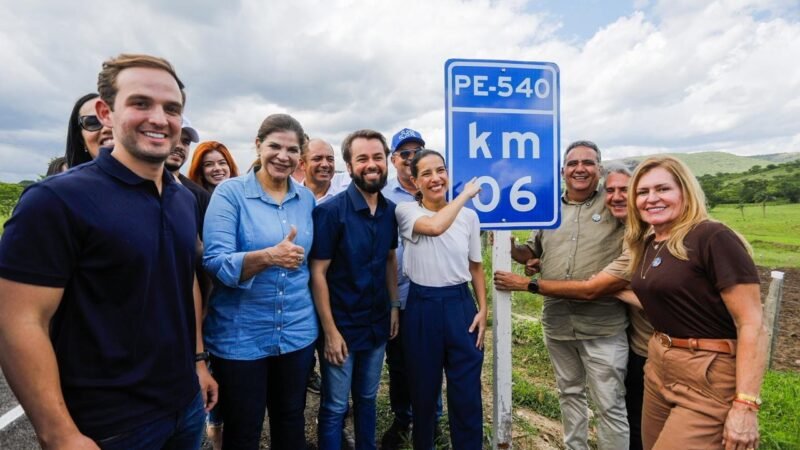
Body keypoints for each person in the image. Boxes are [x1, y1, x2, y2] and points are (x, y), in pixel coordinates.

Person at [0, 53, 217, 449]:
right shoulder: (56, 200)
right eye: (140, 103)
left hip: (184, 406)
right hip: (112, 427)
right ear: (106, 112)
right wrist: (59, 433)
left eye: (172, 108)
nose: (159, 118)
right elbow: (18, 321)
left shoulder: (182, 199)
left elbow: (183, 282)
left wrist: (198, 363)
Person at [494, 163, 653, 450]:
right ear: (563, 170)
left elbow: (595, 287)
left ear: (599, 169)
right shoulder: (549, 209)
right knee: (569, 393)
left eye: (588, 162)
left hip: (603, 327)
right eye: (573, 163)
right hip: (558, 324)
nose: (580, 168)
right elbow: (532, 253)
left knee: (610, 404)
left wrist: (527, 284)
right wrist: (510, 245)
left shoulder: (616, 206)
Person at [625, 156, 767, 450]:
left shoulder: (713, 237)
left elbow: (751, 323)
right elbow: (670, 300)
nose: (651, 199)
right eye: (642, 192)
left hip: (707, 374)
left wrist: (745, 405)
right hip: (659, 367)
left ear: (685, 191)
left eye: (663, 189)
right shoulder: (652, 242)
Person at [202, 113, 317, 450]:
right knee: (244, 428)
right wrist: (269, 256)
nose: (283, 156)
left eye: (292, 150)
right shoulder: (230, 194)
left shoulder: (306, 198)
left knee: (291, 419)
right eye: (275, 146)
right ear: (258, 145)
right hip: (241, 336)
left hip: (297, 331)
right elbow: (215, 262)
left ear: (301, 156)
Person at [310, 129, 399, 450]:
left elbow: (390, 260)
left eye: (378, 157)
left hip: (376, 324)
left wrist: (393, 306)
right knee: (334, 406)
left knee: (367, 398)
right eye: (362, 158)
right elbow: (317, 273)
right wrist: (330, 331)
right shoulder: (330, 213)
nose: (371, 164)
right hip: (342, 328)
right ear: (349, 166)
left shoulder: (390, 212)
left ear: (386, 162)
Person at [395, 149, 486, 449]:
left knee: (467, 393)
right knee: (423, 392)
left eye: (441, 170)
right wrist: (465, 195)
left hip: (460, 304)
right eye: (427, 174)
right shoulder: (407, 213)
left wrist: (483, 309)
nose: (436, 178)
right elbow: (435, 227)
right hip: (423, 307)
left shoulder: (470, 218)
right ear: (415, 181)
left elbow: (475, 266)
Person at [380, 128, 443, 448]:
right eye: (405, 153)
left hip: (432, 290)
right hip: (398, 293)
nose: (411, 157)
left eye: (418, 150)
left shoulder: (436, 190)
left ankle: (433, 419)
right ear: (394, 160)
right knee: (400, 361)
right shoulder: (384, 195)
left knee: (432, 358)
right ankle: (404, 418)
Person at [64, 92, 114, 168]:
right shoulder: (65, 180)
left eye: (114, 119)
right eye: (92, 122)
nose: (107, 128)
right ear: (81, 139)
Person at [300, 138, 350, 203]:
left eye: (330, 159)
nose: (325, 164)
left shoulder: (346, 190)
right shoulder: (290, 197)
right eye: (317, 159)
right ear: (302, 164)